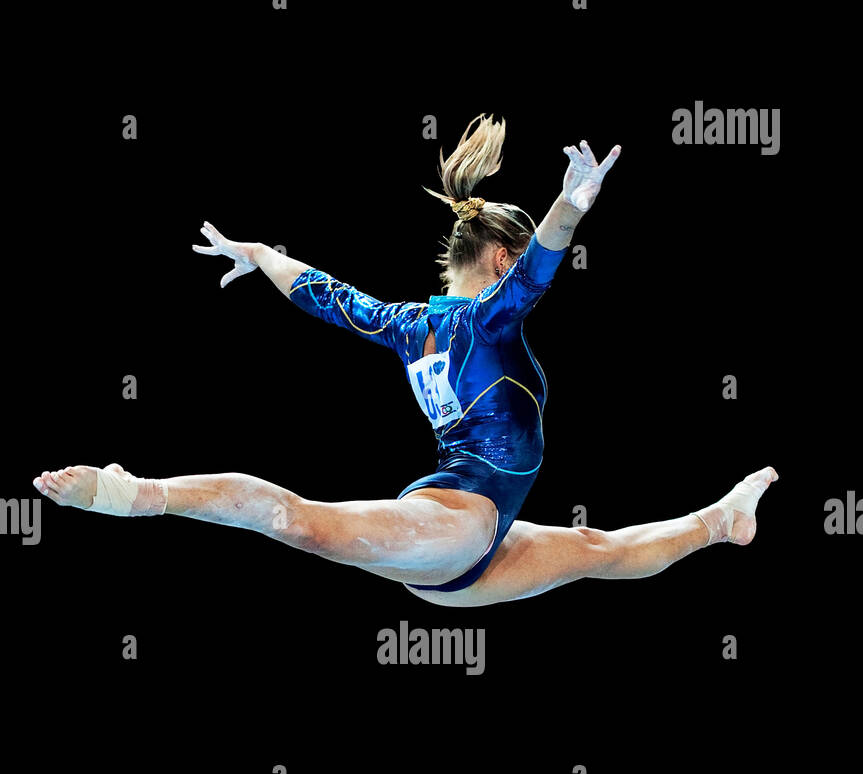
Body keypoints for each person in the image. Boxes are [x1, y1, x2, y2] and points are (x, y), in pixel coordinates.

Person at [32, 113, 777, 606]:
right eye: (514, 267)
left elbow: (325, 295)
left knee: (595, 548)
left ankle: (720, 519)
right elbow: (540, 268)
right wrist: (571, 206)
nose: (520, 278)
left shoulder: (403, 322)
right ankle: (137, 493)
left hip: (467, 550)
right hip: (454, 525)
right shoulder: (489, 318)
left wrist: (262, 254)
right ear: (499, 259)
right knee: (296, 521)